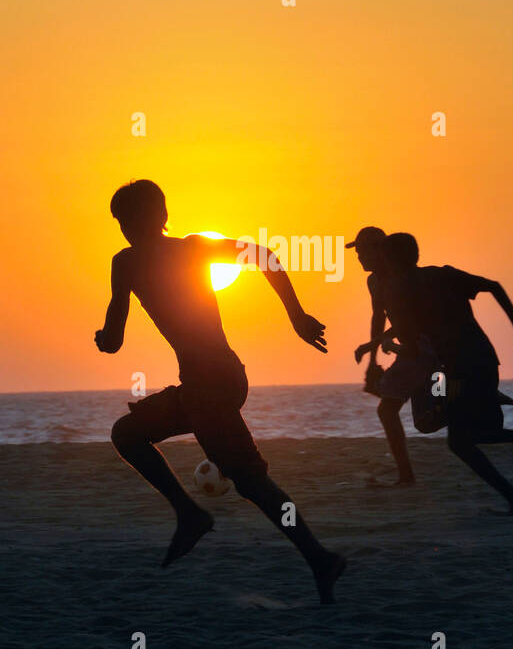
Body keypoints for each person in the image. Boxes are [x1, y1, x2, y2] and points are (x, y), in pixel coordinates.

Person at [94, 180, 347, 602]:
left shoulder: (174, 253)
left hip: (214, 384)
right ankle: (190, 514)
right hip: (203, 386)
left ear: (159, 216)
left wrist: (297, 316)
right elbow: (115, 339)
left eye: (132, 218)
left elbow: (263, 255)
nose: (127, 228)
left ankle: (321, 559)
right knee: (127, 434)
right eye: (121, 221)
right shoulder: (143, 260)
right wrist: (104, 337)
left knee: (251, 481)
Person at [378, 232, 513, 513]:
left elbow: (414, 349)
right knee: (475, 433)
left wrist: (393, 349)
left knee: (460, 441)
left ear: (391, 262)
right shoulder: (438, 277)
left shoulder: (415, 289)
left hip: (467, 366)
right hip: (476, 362)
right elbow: (494, 286)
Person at [348, 226, 418, 484]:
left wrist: (372, 346)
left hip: (424, 345)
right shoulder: (374, 281)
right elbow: (378, 317)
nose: (358, 257)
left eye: (361, 251)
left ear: (378, 250)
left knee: (388, 410)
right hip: (408, 347)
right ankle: (406, 474)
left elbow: (413, 320)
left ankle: (406, 475)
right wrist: (373, 359)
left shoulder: (403, 277)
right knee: (388, 402)